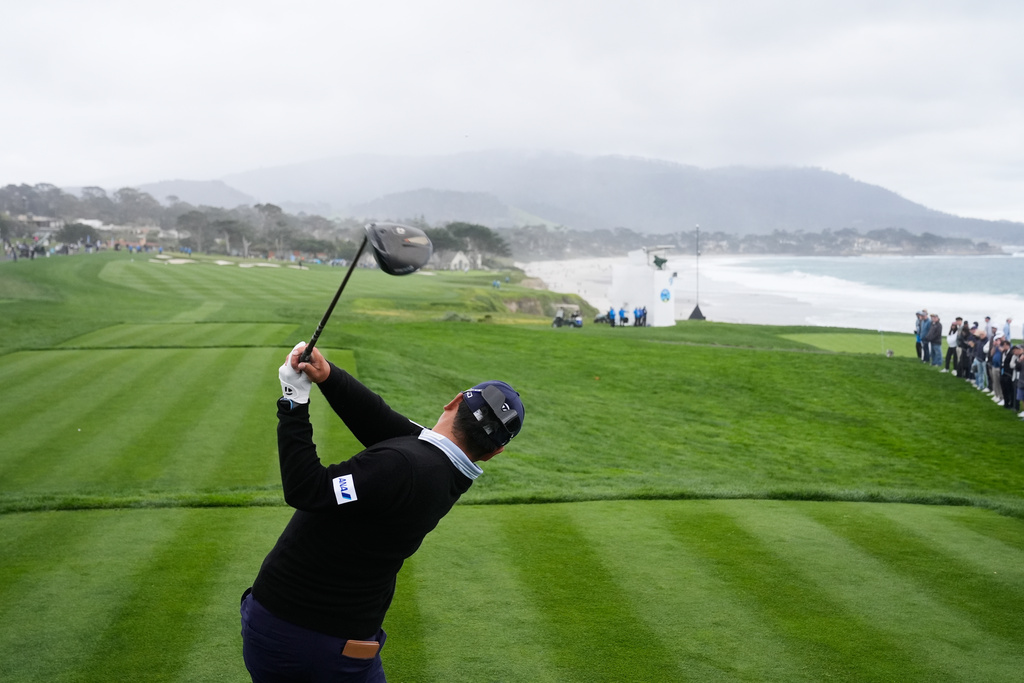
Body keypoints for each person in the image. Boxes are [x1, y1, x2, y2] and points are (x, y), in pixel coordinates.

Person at [241, 342, 525, 682]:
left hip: (299, 636)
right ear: (495, 452)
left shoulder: (405, 465)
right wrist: (328, 375)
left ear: (452, 402)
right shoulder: (444, 468)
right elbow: (381, 421)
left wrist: (293, 401)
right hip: (309, 632)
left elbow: (306, 488)